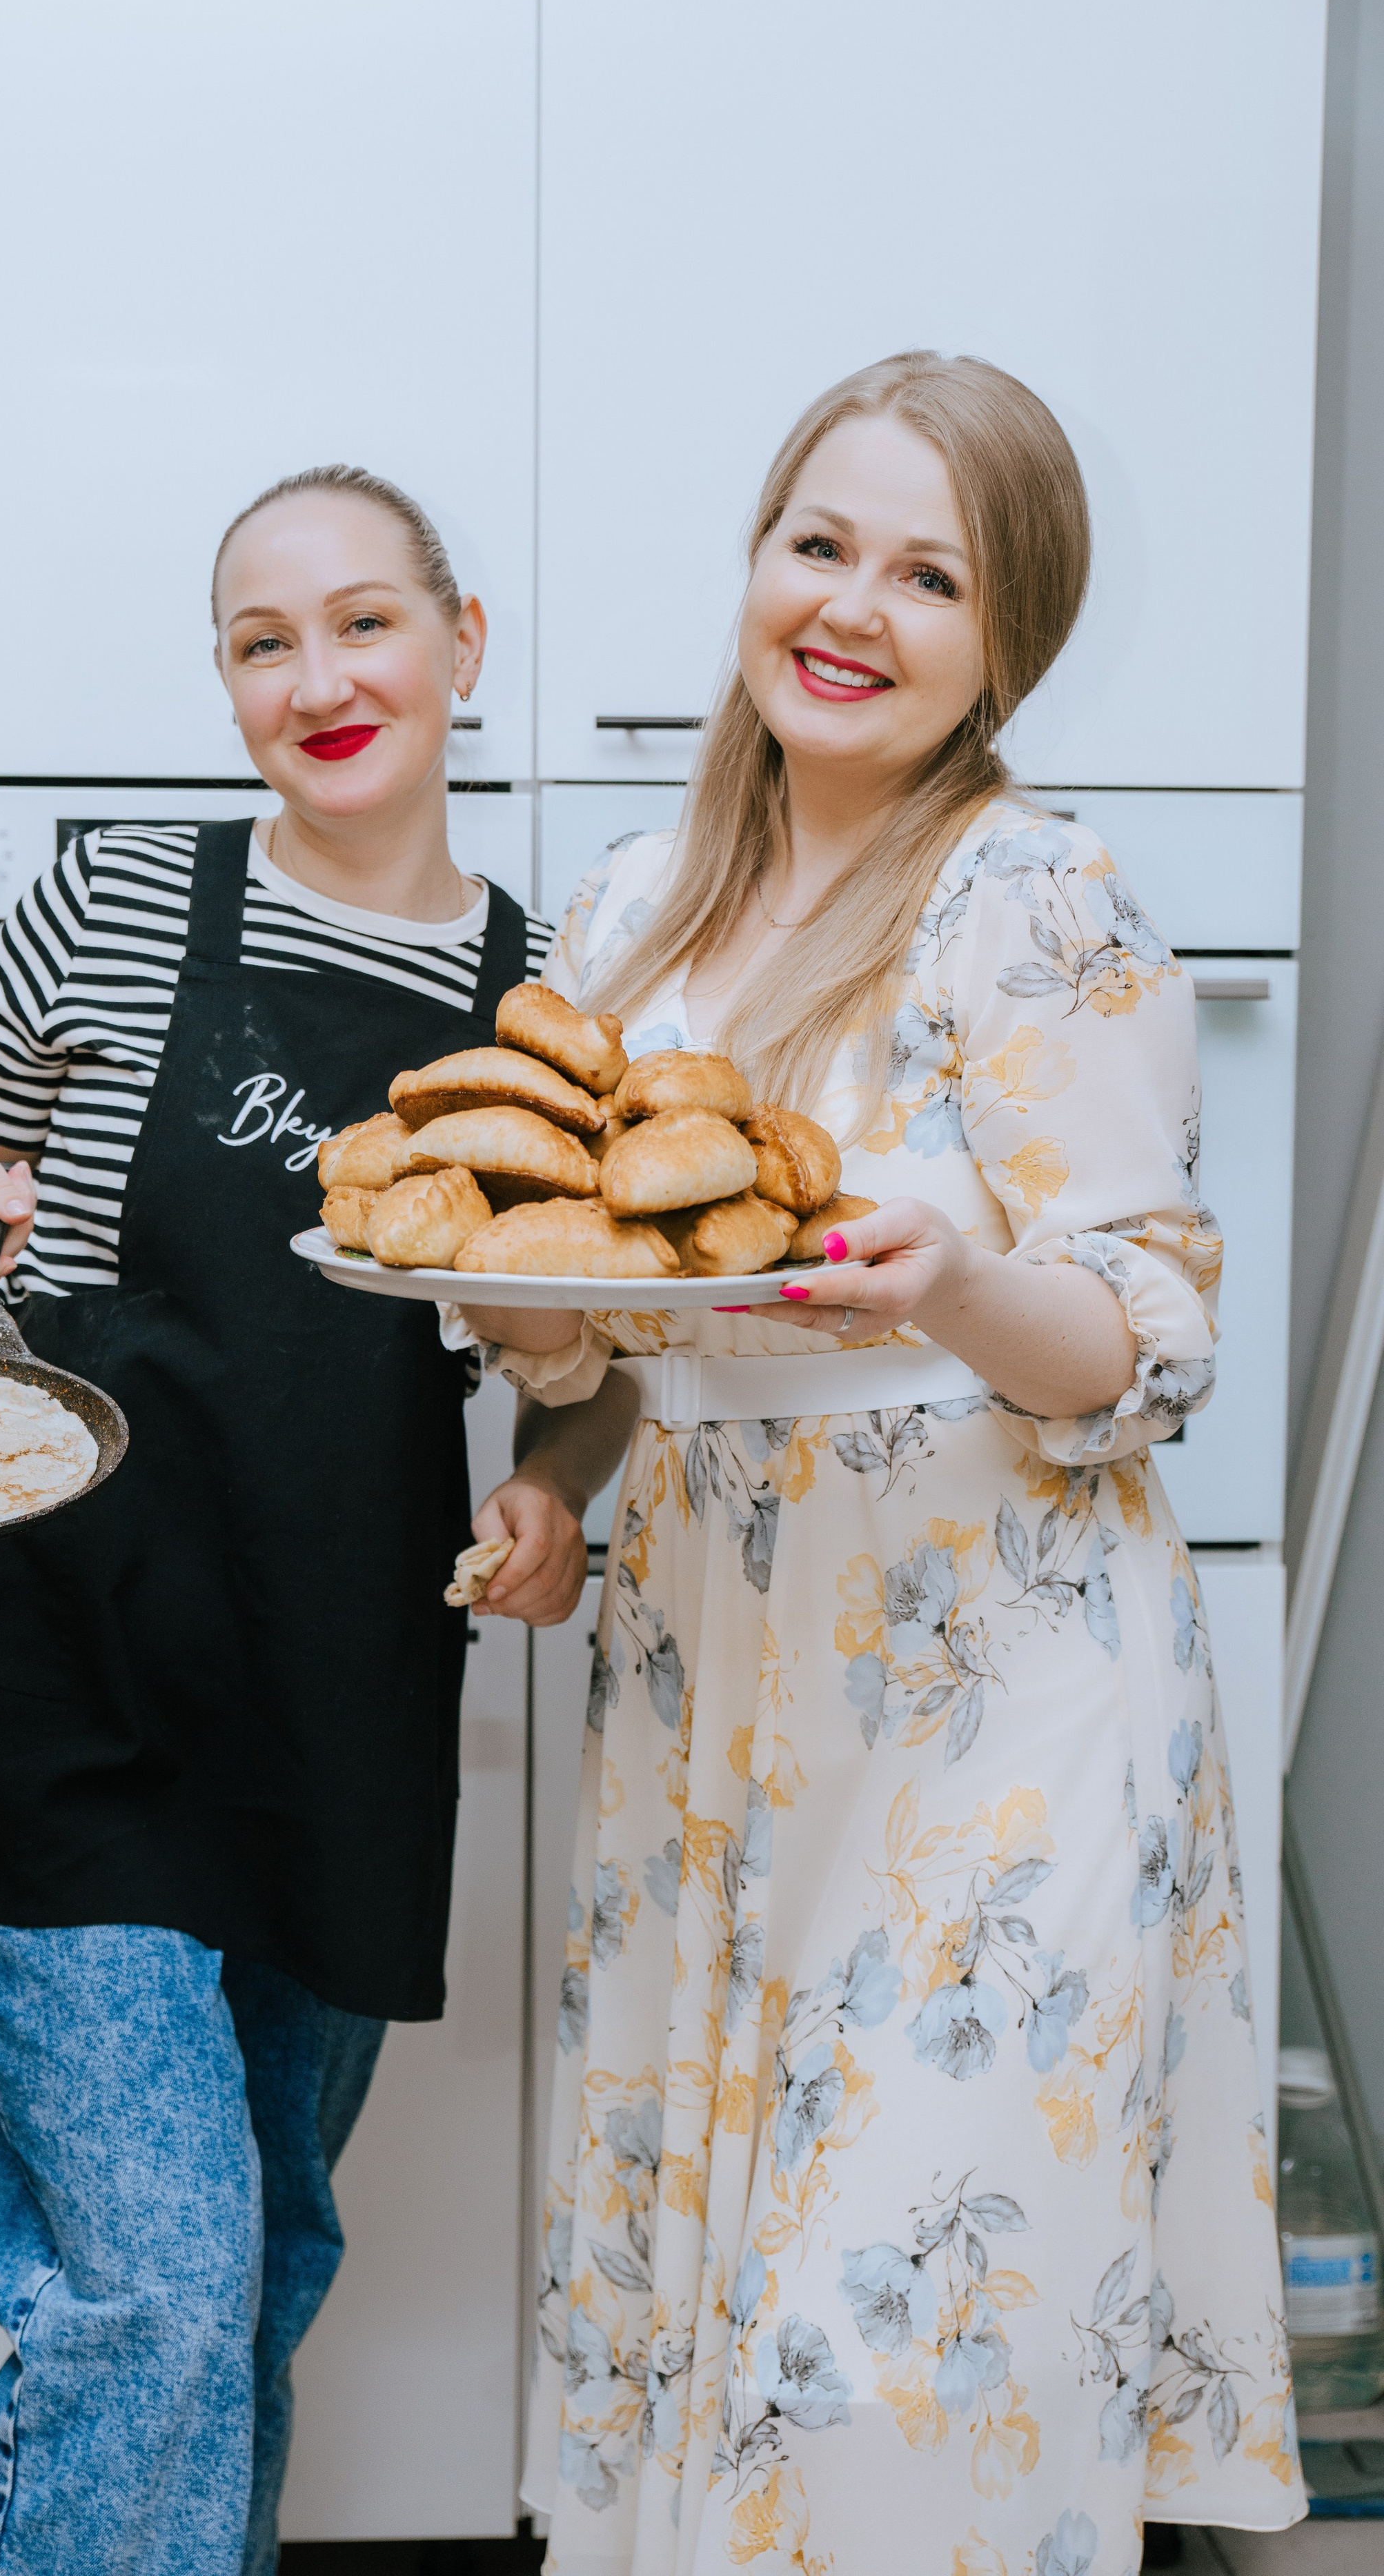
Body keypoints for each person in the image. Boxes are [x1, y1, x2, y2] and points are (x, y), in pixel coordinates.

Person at [457, 356, 1304, 2570]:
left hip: (992, 1686)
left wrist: (941, 1281)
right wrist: (549, 1442)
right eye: (819, 543)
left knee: (889, 2345)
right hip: (714, 1683)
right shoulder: (633, 911)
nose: (853, 605)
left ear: (1005, 642)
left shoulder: (1039, 899)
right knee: (713, 2313)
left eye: (931, 575)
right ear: (755, 561)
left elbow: (1131, 1332)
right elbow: (609, 1348)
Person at [0, 464, 622, 2575]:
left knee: (255, 2271)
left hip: (330, 1706)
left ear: (469, 647)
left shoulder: (551, 1009)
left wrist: (553, 1489)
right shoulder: (117, 899)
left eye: (366, 622)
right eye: (262, 642)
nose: (320, 677)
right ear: (226, 685)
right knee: (159, 2303)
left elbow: (601, 1357)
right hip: (48, 1674)